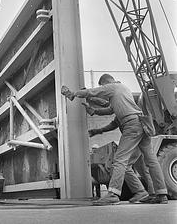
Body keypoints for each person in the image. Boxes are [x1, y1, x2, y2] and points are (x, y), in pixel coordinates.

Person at [61, 73, 168, 205]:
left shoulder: (113, 86)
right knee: (151, 161)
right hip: (141, 124)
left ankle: (113, 193)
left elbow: (94, 92)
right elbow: (109, 109)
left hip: (132, 126)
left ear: (106, 83)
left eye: (103, 86)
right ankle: (161, 194)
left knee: (119, 160)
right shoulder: (123, 91)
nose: (104, 88)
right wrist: (94, 112)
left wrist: (74, 94)